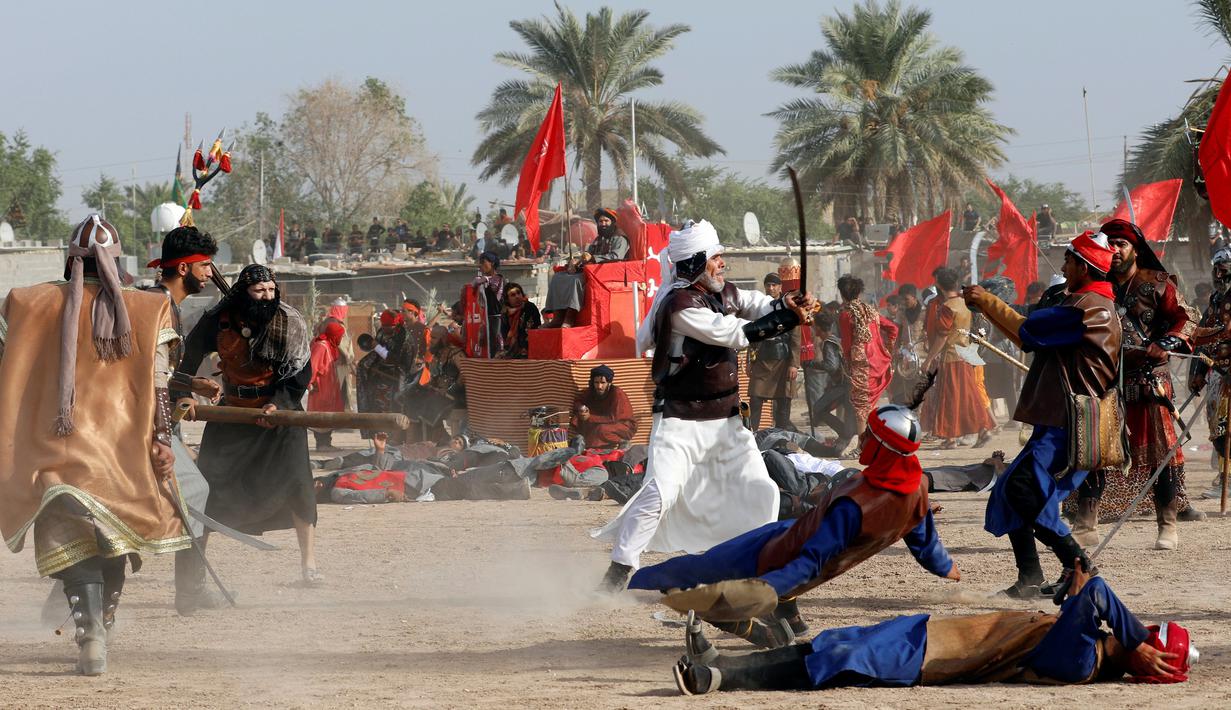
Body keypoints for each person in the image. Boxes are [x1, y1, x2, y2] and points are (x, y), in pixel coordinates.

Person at [0, 215, 189, 675]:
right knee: (113, 540)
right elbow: (160, 384)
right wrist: (165, 439)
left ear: (68, 258)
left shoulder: (27, 304)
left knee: (70, 539)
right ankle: (99, 628)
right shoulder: (148, 309)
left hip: (50, 453)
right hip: (119, 457)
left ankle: (90, 633)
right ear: (118, 257)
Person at [592, 220, 816, 592]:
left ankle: (751, 568)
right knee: (659, 492)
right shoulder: (678, 305)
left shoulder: (721, 291)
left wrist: (784, 304)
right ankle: (618, 573)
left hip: (726, 422)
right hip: (680, 420)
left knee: (761, 491)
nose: (722, 264)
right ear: (694, 263)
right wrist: (787, 318)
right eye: (715, 258)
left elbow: (753, 304)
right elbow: (735, 333)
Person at [632, 403, 958, 651]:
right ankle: (785, 621)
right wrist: (946, 568)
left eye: (869, 434)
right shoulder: (915, 489)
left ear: (885, 447)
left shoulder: (855, 506)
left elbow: (809, 561)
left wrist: (767, 588)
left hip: (774, 555)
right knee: (706, 577)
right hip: (788, 536)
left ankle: (627, 586)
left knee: (692, 573)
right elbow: (925, 542)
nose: (861, 438)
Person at [671, 566, 1195, 694]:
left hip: (929, 659)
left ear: (1145, 655)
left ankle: (718, 680)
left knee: (831, 663)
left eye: (1146, 636)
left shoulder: (1082, 663)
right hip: (931, 634)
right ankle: (720, 664)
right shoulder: (1084, 643)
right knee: (830, 646)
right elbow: (1089, 597)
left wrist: (1134, 638)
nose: (1136, 633)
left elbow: (1099, 594)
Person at [963, 230, 1121, 598]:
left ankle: (1078, 564)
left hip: (1068, 426)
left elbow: (1027, 329)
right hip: (1057, 423)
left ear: (1083, 267)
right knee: (1011, 490)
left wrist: (987, 300)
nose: (1064, 267)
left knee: (1023, 489)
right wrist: (988, 306)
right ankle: (1030, 578)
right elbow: (1027, 338)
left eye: (1069, 261)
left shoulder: (1089, 307)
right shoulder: (1084, 302)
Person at [177, 264, 320, 585]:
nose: (267, 296)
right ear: (244, 292)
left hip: (280, 417)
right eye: (259, 291)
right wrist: (185, 393)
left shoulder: (289, 320)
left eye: (271, 290)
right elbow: (186, 356)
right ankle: (195, 575)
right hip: (233, 414)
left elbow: (300, 371)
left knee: (299, 485)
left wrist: (279, 403)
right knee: (206, 487)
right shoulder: (220, 318)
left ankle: (309, 565)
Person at [1077, 219, 1200, 551]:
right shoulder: (1094, 284)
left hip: (1149, 382)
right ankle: (1086, 524)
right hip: (1103, 381)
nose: (1114, 250)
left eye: (1121, 244)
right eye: (1110, 244)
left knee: (1162, 455)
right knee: (1095, 451)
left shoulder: (1158, 284)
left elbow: (1187, 318)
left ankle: (1168, 526)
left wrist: (1168, 343)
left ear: (1135, 250)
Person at [144, 225, 229, 616]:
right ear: (183, 269)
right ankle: (190, 592)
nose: (210, 273)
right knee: (195, 490)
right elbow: (144, 376)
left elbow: (153, 369)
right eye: (205, 266)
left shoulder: (162, 304)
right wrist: (162, 431)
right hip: (144, 422)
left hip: (146, 416)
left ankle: (70, 594)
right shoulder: (157, 306)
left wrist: (188, 382)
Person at [920, 267, 996, 449]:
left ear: (939, 284)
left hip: (951, 358)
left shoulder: (947, 307)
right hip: (965, 355)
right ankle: (957, 436)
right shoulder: (965, 304)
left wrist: (929, 359)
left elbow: (942, 337)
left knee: (950, 398)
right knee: (966, 397)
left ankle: (959, 436)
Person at [542, 207, 631, 328]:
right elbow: (587, 255)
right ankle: (557, 317)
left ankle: (570, 317)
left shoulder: (620, 238)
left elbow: (616, 256)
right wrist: (575, 263)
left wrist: (593, 258)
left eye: (606, 221)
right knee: (558, 277)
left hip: (607, 273)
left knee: (576, 280)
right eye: (601, 221)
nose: (603, 224)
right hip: (592, 270)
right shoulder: (598, 239)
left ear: (612, 222)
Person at [1190, 247, 1231, 500]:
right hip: (1218, 373)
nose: (1218, 273)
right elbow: (1203, 337)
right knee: (1219, 429)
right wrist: (1198, 372)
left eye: (1224, 268)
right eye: (1216, 268)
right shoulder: (1216, 300)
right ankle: (1225, 477)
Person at [837, 275, 898, 429]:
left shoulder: (846, 315)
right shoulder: (871, 312)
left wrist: (847, 364)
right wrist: (886, 350)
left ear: (842, 294)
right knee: (869, 406)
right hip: (878, 364)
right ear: (858, 293)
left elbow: (846, 345)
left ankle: (862, 446)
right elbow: (893, 329)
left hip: (860, 367)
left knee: (861, 408)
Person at [747, 273, 800, 431]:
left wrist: (794, 364)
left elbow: (796, 339)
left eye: (774, 285)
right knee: (755, 400)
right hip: (762, 359)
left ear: (780, 287)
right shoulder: (758, 308)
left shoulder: (789, 308)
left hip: (783, 361)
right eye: (768, 285)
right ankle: (753, 436)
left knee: (783, 402)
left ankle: (781, 438)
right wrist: (750, 361)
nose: (771, 288)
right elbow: (753, 337)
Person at [356, 309, 418, 443]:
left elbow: (394, 359)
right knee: (377, 406)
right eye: (383, 326)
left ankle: (395, 439)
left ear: (396, 325)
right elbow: (377, 352)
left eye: (388, 326)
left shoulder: (404, 338)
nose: (384, 329)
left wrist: (376, 346)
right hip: (381, 377)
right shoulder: (382, 333)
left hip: (398, 377)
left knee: (394, 408)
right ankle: (379, 436)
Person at [803, 311, 856, 450]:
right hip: (848, 384)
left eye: (814, 327)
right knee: (849, 418)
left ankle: (845, 434)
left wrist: (811, 364)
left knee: (818, 408)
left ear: (819, 328)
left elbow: (831, 366)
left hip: (843, 385)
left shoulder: (828, 343)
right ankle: (846, 435)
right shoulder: (836, 340)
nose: (814, 330)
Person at [570, 364, 637, 450]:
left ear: (609, 383)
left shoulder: (617, 393)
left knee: (601, 429)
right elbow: (578, 401)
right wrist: (582, 408)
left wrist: (590, 417)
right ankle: (588, 444)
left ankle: (622, 441)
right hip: (600, 422)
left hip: (622, 425)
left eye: (603, 383)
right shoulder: (592, 391)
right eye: (596, 383)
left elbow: (613, 418)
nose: (599, 386)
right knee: (577, 418)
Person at [307, 321, 347, 450]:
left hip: (328, 388)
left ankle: (326, 443)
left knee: (328, 415)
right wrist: (309, 384)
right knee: (320, 416)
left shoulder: (328, 345)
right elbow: (312, 367)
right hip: (321, 388)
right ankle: (321, 444)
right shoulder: (321, 346)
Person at [890, 284, 926, 403]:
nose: (904, 302)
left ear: (914, 297)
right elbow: (897, 333)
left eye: (906, 299)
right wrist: (895, 349)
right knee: (909, 392)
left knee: (923, 391)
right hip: (907, 358)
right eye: (902, 300)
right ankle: (912, 418)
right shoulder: (901, 313)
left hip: (923, 357)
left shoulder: (925, 312)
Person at [467, 251, 506, 356]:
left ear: (492, 263)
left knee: (495, 344)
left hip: (496, 318)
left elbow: (491, 283)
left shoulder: (498, 279)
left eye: (483, 262)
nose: (481, 265)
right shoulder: (481, 281)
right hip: (484, 319)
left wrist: (482, 280)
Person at [498, 282, 541, 359]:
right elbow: (504, 333)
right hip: (512, 350)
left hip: (530, 348)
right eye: (513, 295)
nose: (517, 296)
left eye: (519, 293)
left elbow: (535, 327)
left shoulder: (529, 307)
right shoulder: (505, 313)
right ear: (507, 300)